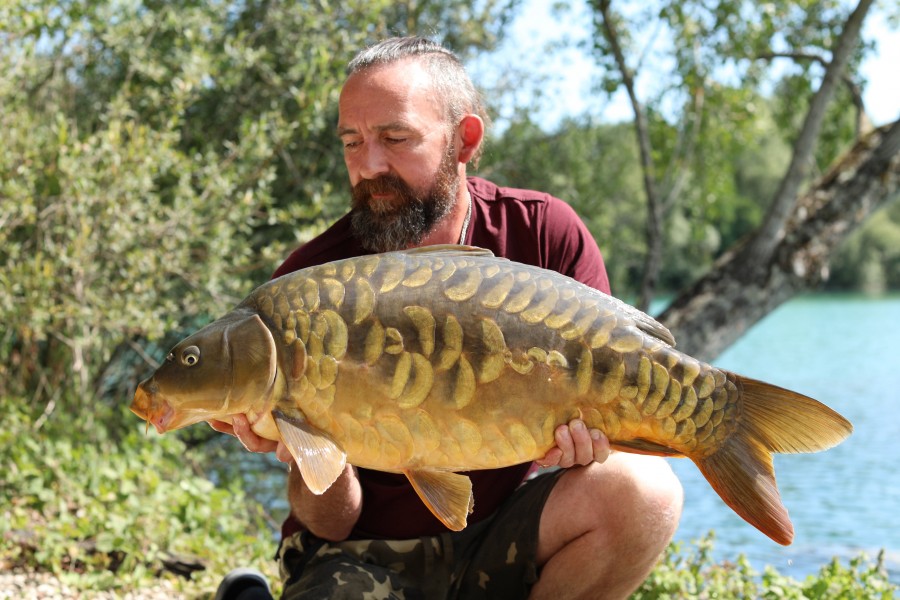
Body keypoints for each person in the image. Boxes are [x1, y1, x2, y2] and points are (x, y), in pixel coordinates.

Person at [211, 36, 683, 600]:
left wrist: (596, 441)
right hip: (359, 554)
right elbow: (331, 521)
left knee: (644, 490)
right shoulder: (307, 287)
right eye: (352, 142)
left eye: (395, 138)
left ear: (465, 139)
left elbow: (612, 413)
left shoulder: (543, 234)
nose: (368, 165)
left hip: (502, 534)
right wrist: (309, 443)